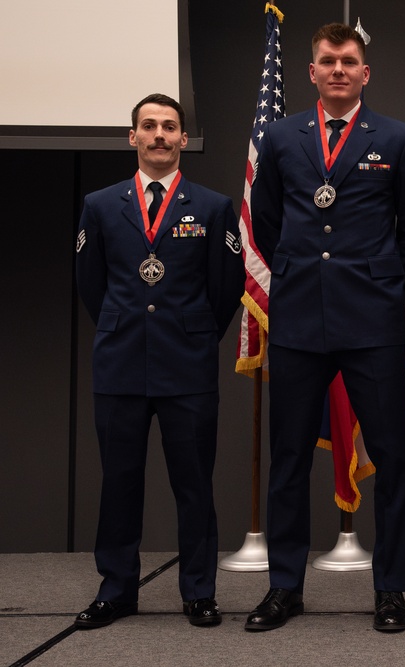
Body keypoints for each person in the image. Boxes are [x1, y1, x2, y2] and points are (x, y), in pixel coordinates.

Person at [245, 23, 405, 632]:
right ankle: (284, 588)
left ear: (365, 73)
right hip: (299, 318)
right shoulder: (279, 137)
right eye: (328, 61)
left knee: (392, 461)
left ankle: (391, 591)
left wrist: (383, 291)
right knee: (289, 457)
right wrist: (301, 278)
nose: (338, 71)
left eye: (349, 62)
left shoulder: (399, 139)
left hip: (370, 321)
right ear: (312, 71)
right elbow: (267, 224)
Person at [74, 93, 244, 629]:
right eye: (148, 127)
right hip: (121, 364)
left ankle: (198, 591)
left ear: (182, 139)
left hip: (186, 365)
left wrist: (193, 334)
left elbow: (224, 288)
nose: (159, 136)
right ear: (133, 137)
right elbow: (91, 286)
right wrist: (128, 326)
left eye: (169, 127)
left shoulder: (214, 207)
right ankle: (117, 588)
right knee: (119, 483)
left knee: (193, 484)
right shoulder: (100, 205)